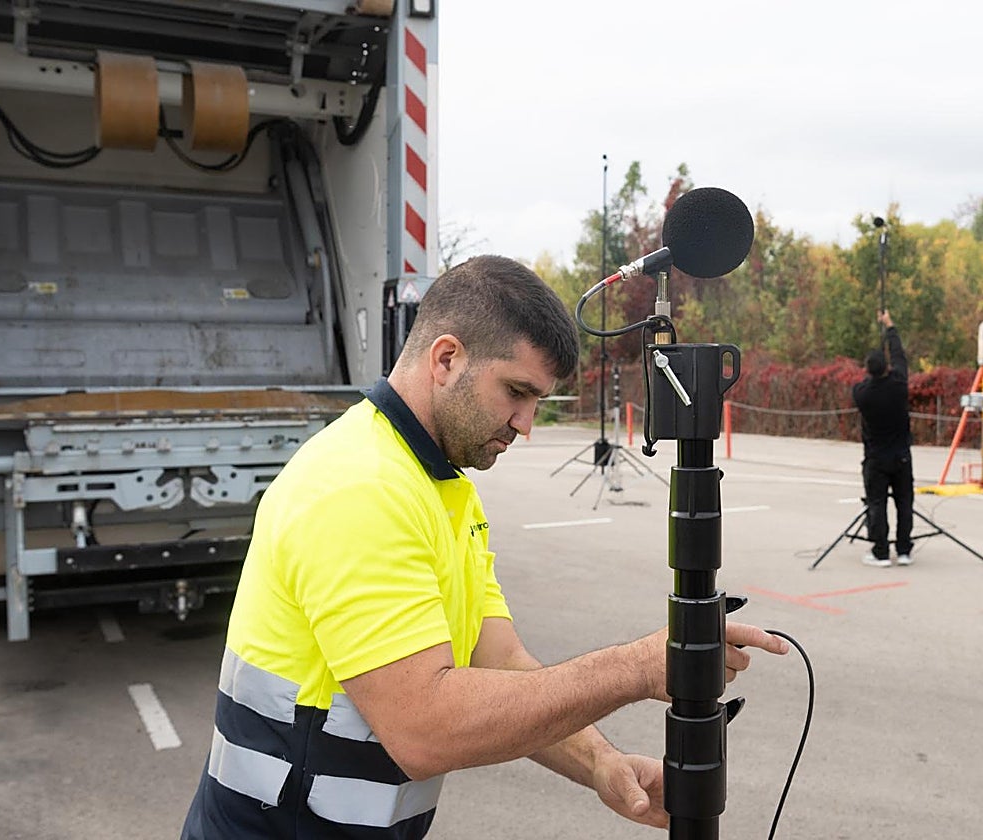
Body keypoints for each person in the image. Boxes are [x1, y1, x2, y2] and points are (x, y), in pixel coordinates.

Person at [179, 255, 789, 839]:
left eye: (538, 403)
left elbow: (498, 662)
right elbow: (425, 729)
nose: (526, 423)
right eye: (516, 392)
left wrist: (601, 763)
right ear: (446, 359)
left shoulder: (440, 483)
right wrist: (633, 669)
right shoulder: (360, 485)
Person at [852, 309, 915, 568]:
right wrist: (890, 326)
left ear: (868, 370)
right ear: (887, 368)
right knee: (904, 502)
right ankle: (903, 550)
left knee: (877, 504)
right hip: (901, 456)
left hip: (876, 458)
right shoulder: (899, 385)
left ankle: (880, 551)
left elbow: (867, 382)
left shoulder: (862, 394)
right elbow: (899, 356)